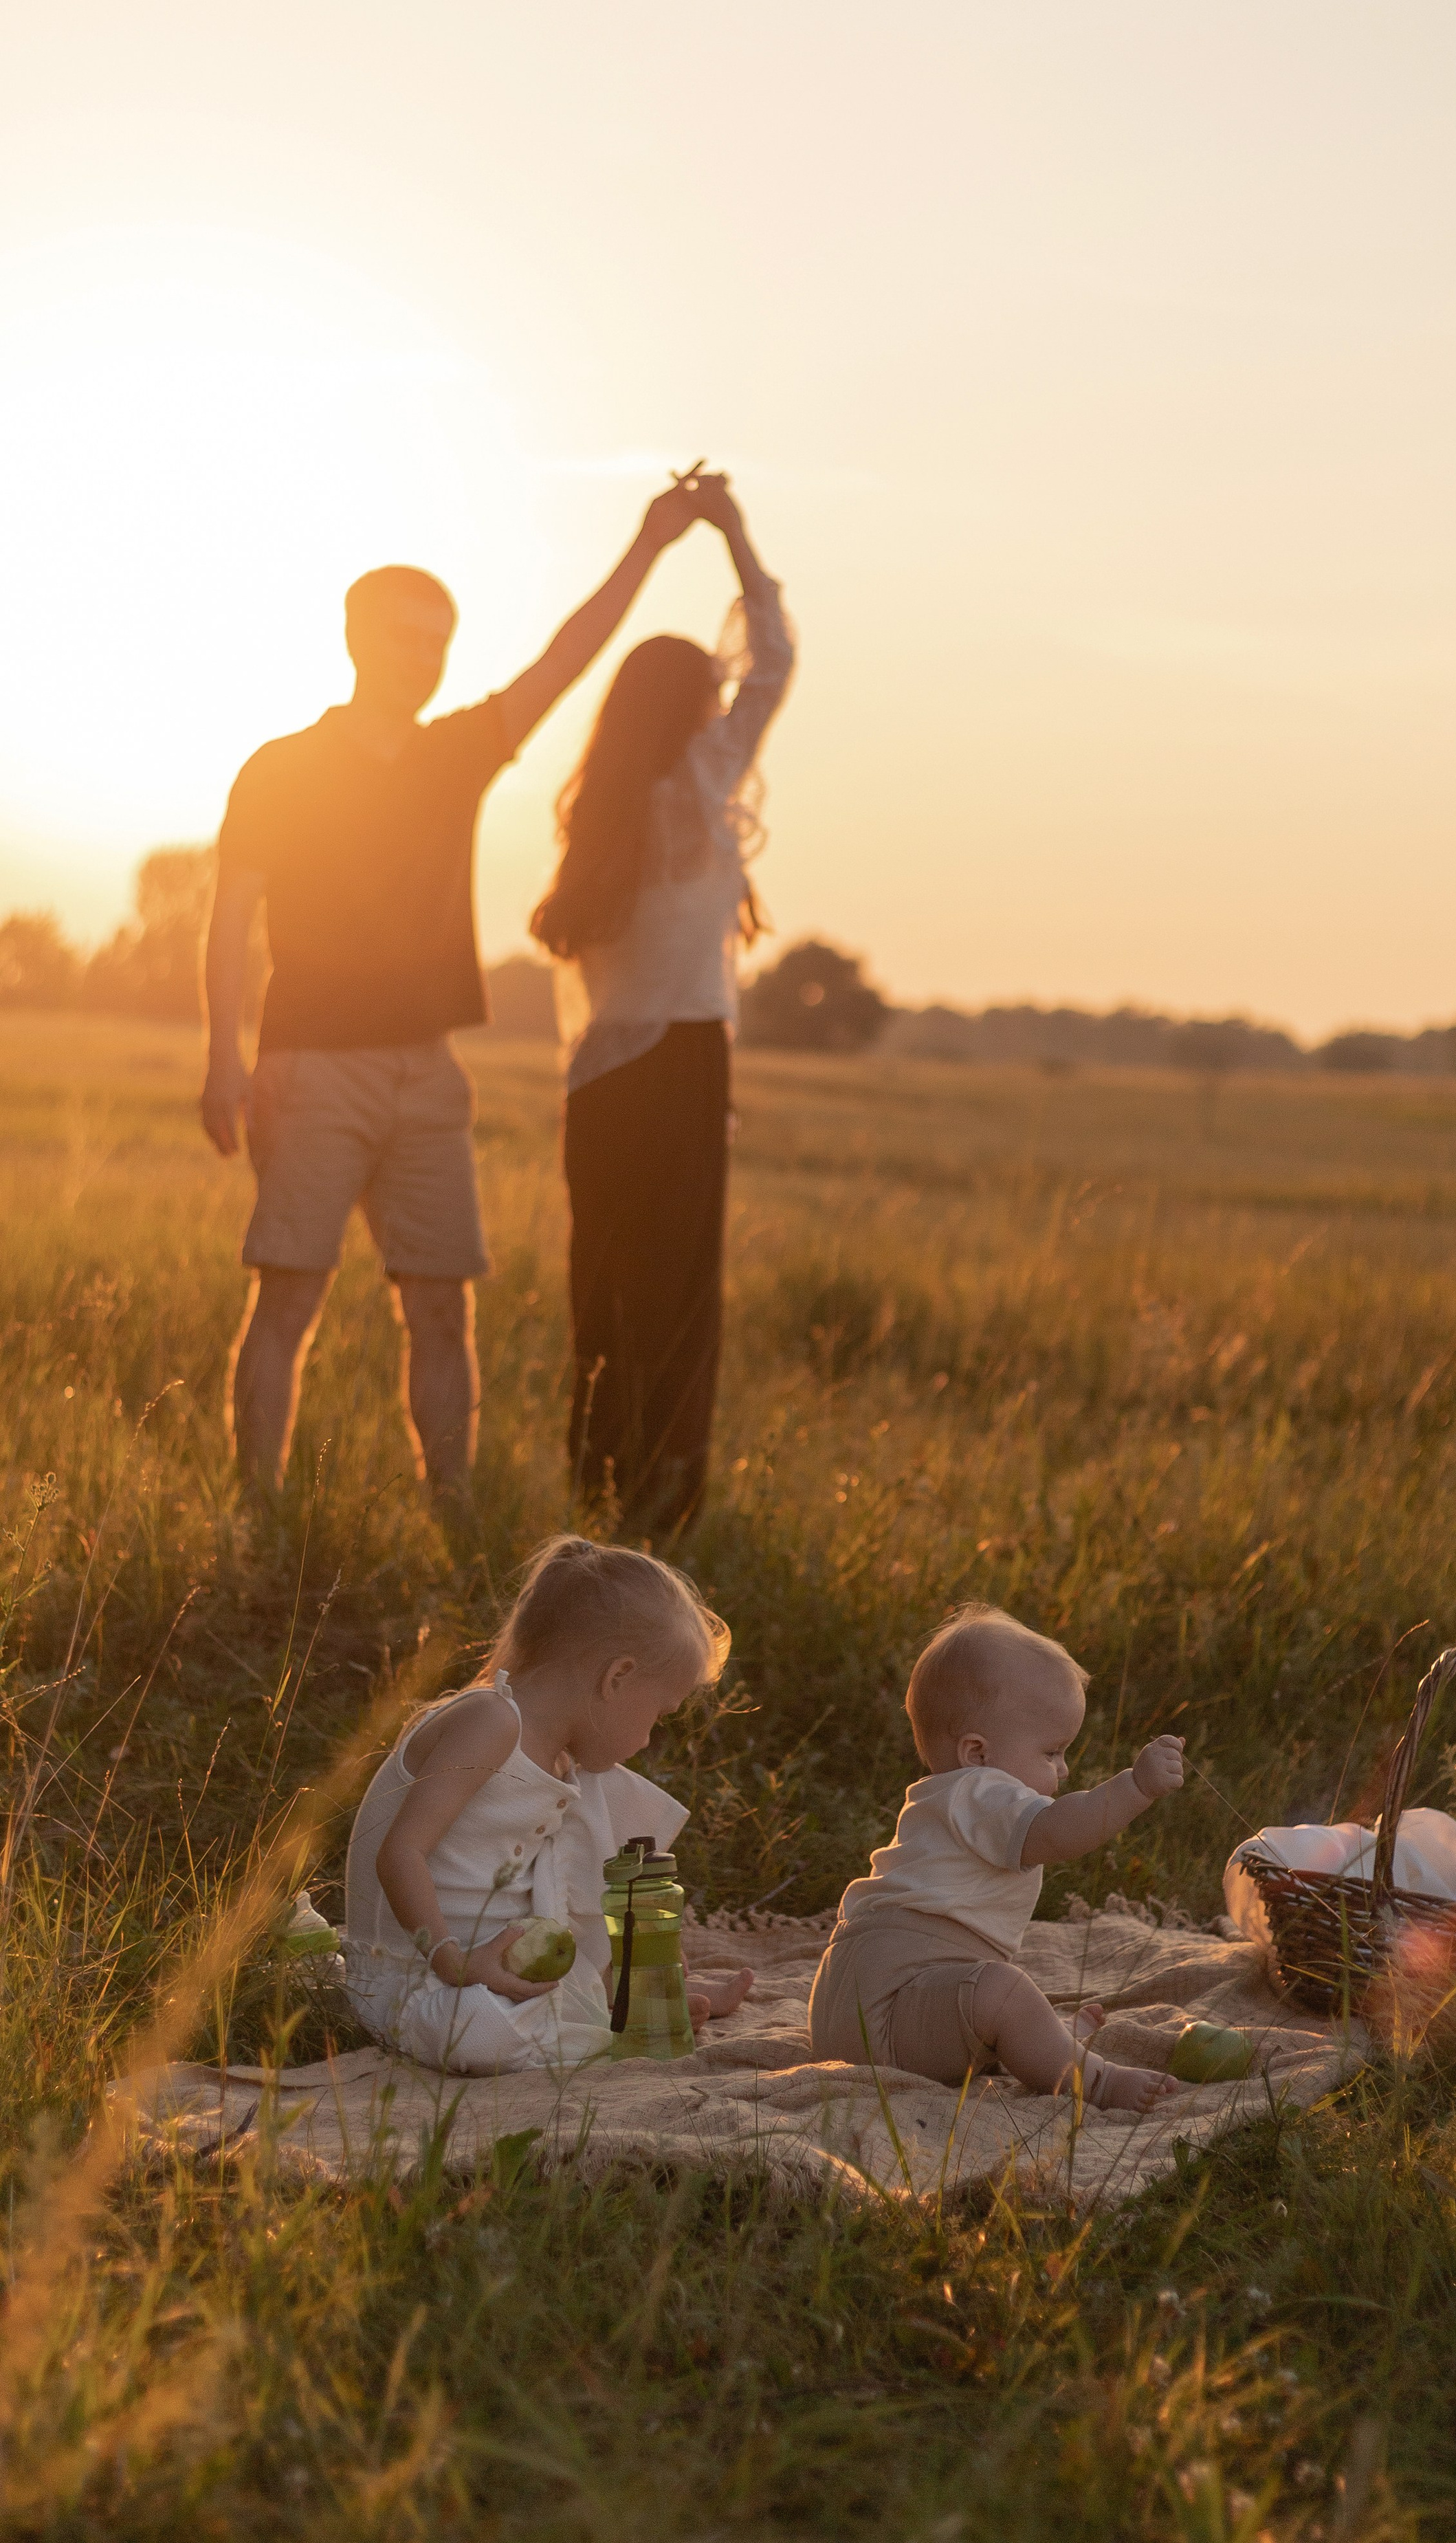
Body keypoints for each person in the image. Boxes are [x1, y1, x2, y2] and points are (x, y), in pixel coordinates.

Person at [200, 476, 710, 1501]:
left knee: (444, 1310)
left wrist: (651, 543)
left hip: (428, 1073)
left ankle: (455, 1515)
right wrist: (226, 1057)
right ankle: (258, 1518)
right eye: (403, 636)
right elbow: (230, 917)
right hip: (310, 1065)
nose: (423, 656)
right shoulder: (281, 767)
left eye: (438, 639)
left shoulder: (455, 756)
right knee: (289, 1299)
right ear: (355, 638)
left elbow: (570, 652)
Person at [531, 472, 795, 1528]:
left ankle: (596, 1488)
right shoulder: (700, 781)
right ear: (693, 708)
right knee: (678, 1297)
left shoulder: (596, 814)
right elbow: (773, 660)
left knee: (601, 1290)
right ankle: (662, 1502)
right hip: (681, 1063)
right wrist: (733, 534)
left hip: (599, 1079)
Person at [342, 1534, 753, 2073]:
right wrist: (455, 1962)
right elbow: (400, 1854)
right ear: (618, 1677)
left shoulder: (555, 1755)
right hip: (415, 1975)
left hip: (493, 1961)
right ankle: (606, 2013)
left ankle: (636, 1975)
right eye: (658, 1714)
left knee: (610, 1790)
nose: (653, 1737)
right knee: (482, 2036)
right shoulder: (490, 1723)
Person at [807, 1607, 1189, 2111]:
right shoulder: (982, 1791)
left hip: (854, 2005)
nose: (1064, 1770)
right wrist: (1134, 1788)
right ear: (977, 1753)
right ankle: (1093, 2081)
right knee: (1003, 1991)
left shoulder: (945, 1799)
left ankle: (1042, 2042)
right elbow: (1058, 1832)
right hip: (889, 2009)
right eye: (1052, 1753)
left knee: (992, 1995)